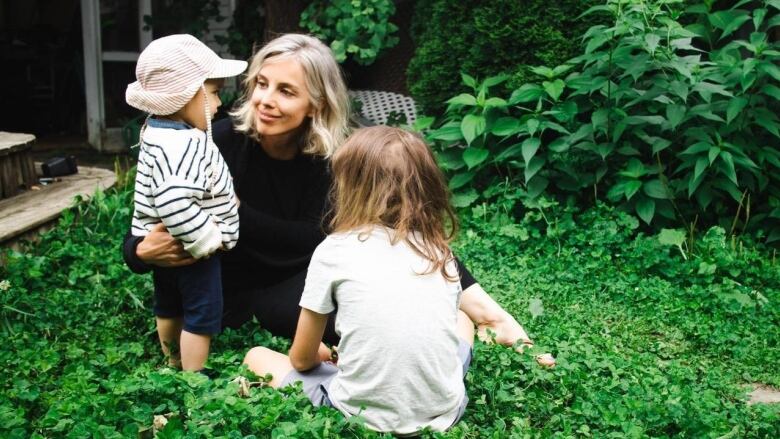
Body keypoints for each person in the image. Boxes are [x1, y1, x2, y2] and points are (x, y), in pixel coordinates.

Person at [122, 33, 550, 363]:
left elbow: (335, 239)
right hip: (247, 287)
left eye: (286, 91)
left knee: (398, 238)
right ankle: (442, 328)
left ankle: (491, 315)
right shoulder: (211, 141)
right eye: (261, 84)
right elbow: (143, 227)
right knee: (291, 311)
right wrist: (143, 251)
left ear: (316, 104)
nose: (265, 101)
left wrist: (240, 213)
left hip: (320, 266)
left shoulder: (336, 159)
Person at [244, 126, 473, 435]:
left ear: (348, 188)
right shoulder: (439, 251)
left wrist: (324, 355)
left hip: (357, 414)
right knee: (463, 319)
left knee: (256, 356)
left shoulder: (333, 250)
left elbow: (301, 359)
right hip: (446, 412)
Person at [124, 34, 247, 371]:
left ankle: (171, 361)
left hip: (164, 248)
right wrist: (207, 241)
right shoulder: (186, 143)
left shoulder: (155, 132)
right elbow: (174, 200)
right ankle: (194, 377)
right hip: (192, 252)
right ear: (188, 94)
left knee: (168, 305)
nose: (220, 104)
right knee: (202, 315)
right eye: (214, 93)